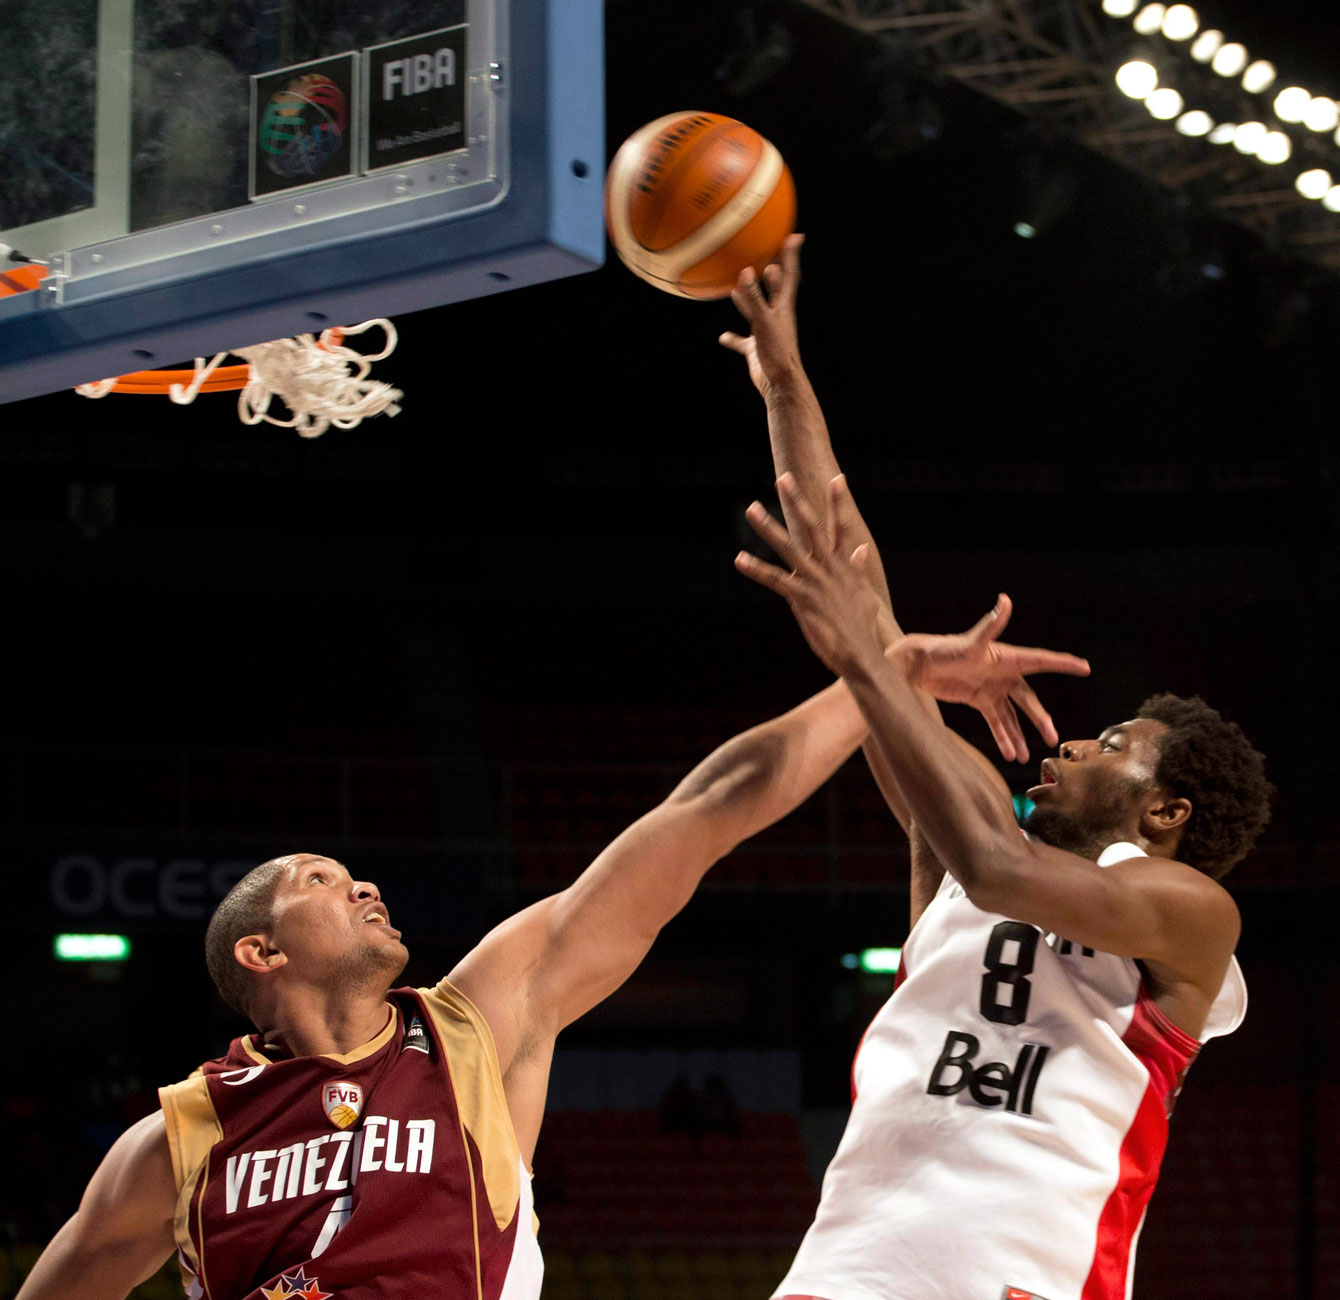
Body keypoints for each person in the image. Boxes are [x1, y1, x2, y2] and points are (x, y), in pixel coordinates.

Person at [16, 621, 1083, 1300]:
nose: (363, 885)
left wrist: (883, 676)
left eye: (356, 873)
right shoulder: (181, 1135)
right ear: (260, 950)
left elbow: (703, 813)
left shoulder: (480, 1021)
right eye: (320, 879)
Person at [723, 243, 1272, 1300]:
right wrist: (786, 382)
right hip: (840, 1270)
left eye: (1111, 744)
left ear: (1164, 809)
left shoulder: (1185, 912)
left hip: (1016, 1279)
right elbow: (853, 578)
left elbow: (995, 872)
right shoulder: (971, 809)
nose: (1070, 743)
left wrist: (876, 665)